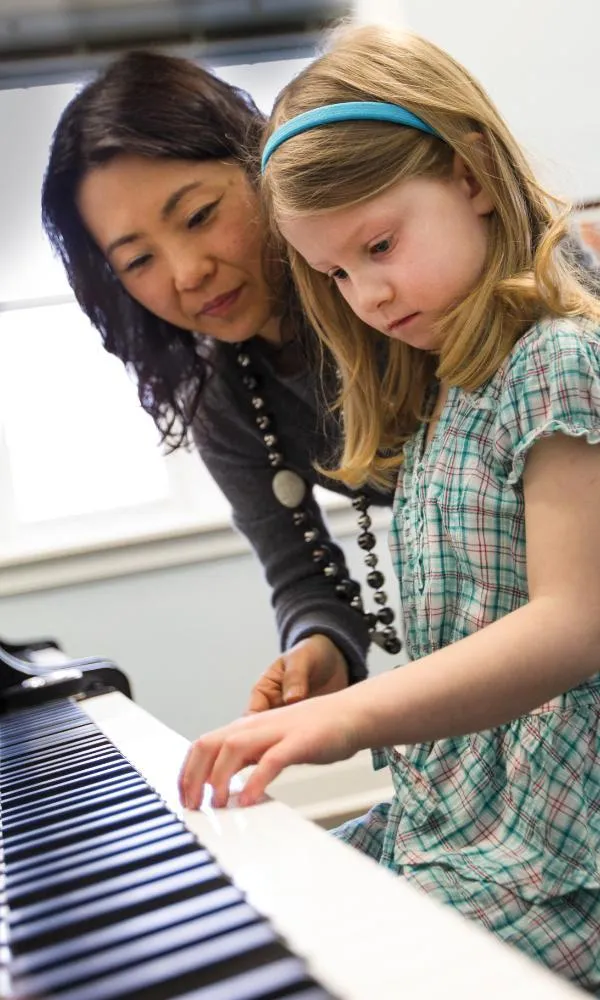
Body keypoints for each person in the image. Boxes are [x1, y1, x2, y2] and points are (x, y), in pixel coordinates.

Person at [178, 24, 600, 990]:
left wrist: (349, 720)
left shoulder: (559, 360)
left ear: (471, 176)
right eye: (334, 273)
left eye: (379, 245)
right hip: (460, 823)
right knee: (251, 918)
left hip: (560, 859)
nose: (366, 294)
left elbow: (573, 624)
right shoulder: (445, 391)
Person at [41, 49, 404, 715]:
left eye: (199, 216)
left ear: (259, 164)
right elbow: (302, 575)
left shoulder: (395, 284)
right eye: (139, 259)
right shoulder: (224, 396)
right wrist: (316, 646)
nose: (187, 273)